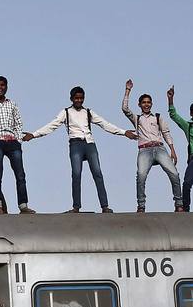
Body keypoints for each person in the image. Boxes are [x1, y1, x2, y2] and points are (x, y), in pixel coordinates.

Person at [24, 85, 134, 213]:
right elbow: (52, 125)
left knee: (97, 173)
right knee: (76, 174)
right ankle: (76, 207)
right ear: (71, 98)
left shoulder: (88, 112)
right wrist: (34, 134)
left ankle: (105, 206)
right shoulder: (66, 112)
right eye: (76, 98)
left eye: (81, 98)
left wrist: (123, 132)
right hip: (76, 144)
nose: (79, 100)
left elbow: (105, 124)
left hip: (89, 144)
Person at [123, 79, 182, 212]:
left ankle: (179, 204)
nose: (146, 104)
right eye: (143, 102)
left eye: (148, 102)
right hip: (145, 149)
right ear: (139, 104)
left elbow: (166, 133)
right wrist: (128, 90)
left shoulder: (157, 117)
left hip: (159, 147)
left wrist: (172, 149)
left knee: (174, 173)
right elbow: (125, 109)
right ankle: (141, 205)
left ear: (151, 104)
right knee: (141, 175)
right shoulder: (137, 118)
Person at [0, 76, 32, 213]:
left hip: (12, 141)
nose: (0, 87)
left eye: (3, 85)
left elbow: (18, 124)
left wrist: (18, 140)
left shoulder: (13, 104)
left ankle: (23, 206)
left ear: (6, 87)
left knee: (20, 174)